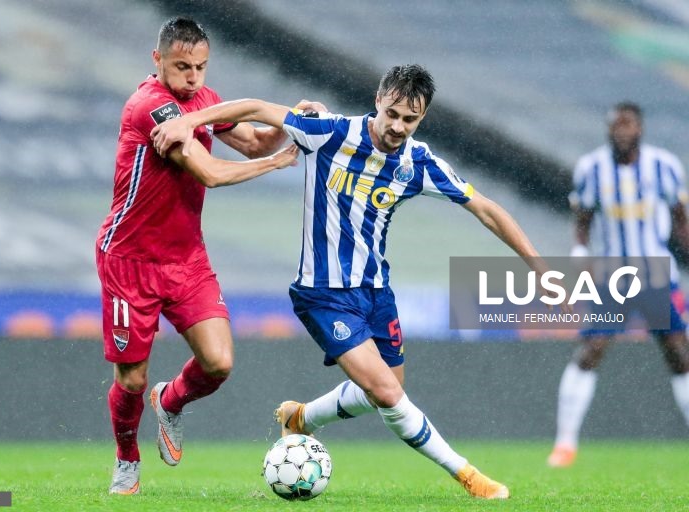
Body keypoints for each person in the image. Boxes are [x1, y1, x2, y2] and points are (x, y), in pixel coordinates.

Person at [152, 64, 571, 500]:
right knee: (388, 393)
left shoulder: (418, 163)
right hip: (323, 294)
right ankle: (467, 475)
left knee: (385, 390)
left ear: (421, 118)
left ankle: (301, 418)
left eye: (410, 120)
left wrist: (539, 268)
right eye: (392, 113)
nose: (397, 126)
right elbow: (258, 108)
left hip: (375, 293)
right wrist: (189, 120)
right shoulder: (330, 133)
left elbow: (486, 208)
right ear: (378, 100)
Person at [97, 16, 305, 495]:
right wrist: (274, 164)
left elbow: (253, 138)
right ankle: (126, 458)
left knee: (218, 363)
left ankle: (169, 401)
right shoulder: (150, 107)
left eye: (201, 67)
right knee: (131, 378)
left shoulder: (204, 101)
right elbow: (209, 171)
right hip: (130, 262)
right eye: (182, 66)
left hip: (186, 258)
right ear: (158, 60)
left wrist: (293, 123)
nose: (192, 77)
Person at [546, 102, 689, 467]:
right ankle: (564, 444)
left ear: (640, 129)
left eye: (628, 125)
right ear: (608, 130)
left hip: (655, 272)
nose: (622, 132)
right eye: (616, 126)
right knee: (591, 348)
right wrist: (579, 250)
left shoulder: (665, 166)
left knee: (679, 353)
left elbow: (680, 221)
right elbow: (582, 218)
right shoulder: (591, 169)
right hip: (612, 275)